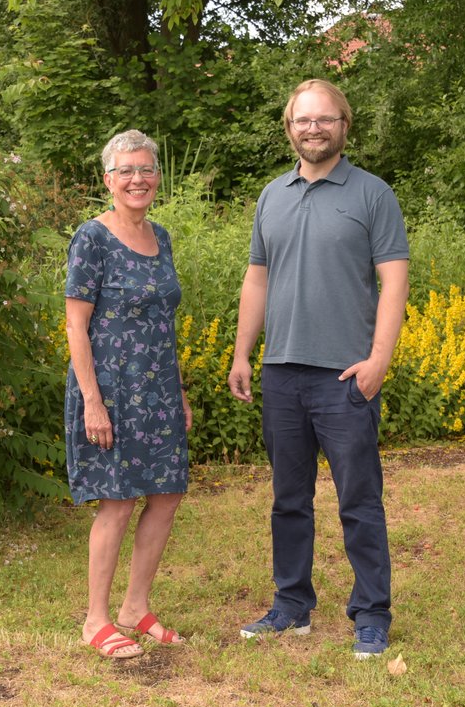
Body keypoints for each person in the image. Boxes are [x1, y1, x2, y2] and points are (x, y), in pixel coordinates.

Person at [227, 79, 410, 660]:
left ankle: (371, 614)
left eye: (325, 119)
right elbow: (257, 278)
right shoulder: (271, 196)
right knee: (288, 498)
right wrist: (241, 353)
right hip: (282, 372)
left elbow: (394, 279)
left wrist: (379, 357)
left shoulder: (372, 194)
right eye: (303, 120)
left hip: (344, 376)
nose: (314, 128)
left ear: (344, 125)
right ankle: (291, 606)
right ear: (289, 128)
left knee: (359, 497)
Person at [64, 129, 193, 659]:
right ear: (108, 181)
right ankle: (96, 619)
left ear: (157, 178)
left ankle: (134, 607)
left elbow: (164, 322)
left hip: (159, 389)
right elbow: (76, 326)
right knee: (116, 503)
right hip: (113, 391)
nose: (137, 179)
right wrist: (92, 401)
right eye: (126, 172)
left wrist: (179, 392)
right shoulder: (91, 238)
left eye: (146, 170)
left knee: (166, 495)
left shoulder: (160, 236)